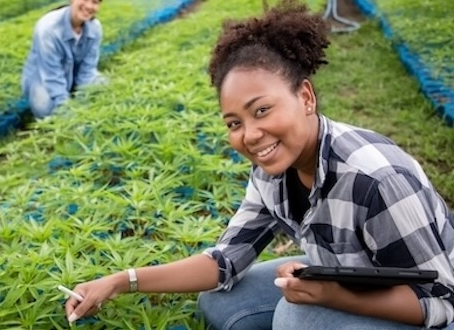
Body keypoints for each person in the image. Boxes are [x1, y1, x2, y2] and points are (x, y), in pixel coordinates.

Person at [63, 0, 454, 329]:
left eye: (262, 110)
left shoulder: (376, 178)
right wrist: (121, 280)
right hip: (342, 272)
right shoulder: (272, 171)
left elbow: (441, 300)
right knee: (221, 301)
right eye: (235, 123)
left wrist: (333, 296)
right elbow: (223, 261)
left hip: (430, 304)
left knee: (295, 317)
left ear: (305, 97)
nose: (249, 135)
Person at [21, 0, 104, 119]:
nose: (89, 6)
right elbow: (52, 77)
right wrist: (69, 113)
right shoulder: (48, 27)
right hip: (43, 79)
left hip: (74, 78)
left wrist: (83, 104)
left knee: (104, 87)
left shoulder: (95, 28)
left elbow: (87, 71)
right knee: (44, 105)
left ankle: (70, 100)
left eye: (95, 2)